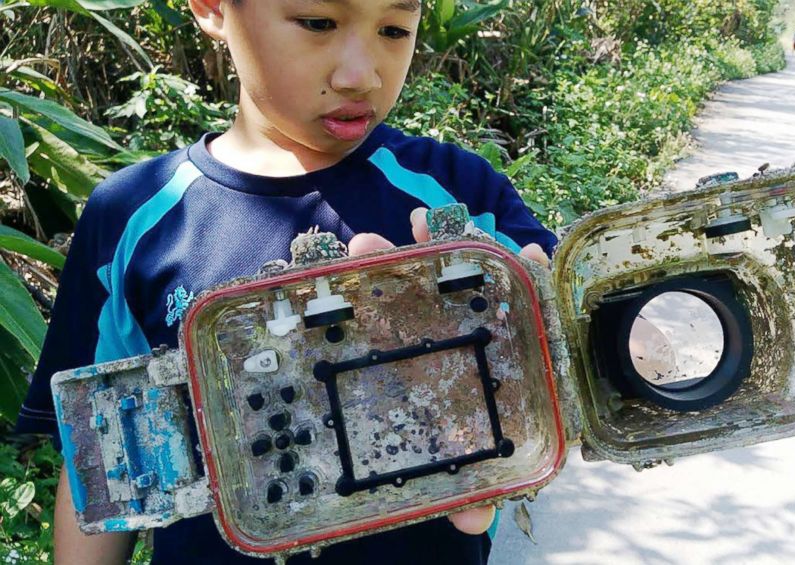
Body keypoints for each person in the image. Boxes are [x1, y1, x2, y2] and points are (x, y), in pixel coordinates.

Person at [11, 1, 556, 564]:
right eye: (318, 23)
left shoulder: (456, 196)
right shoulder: (133, 217)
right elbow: (106, 461)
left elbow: (591, 332)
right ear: (212, 8)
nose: (360, 75)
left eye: (394, 30)